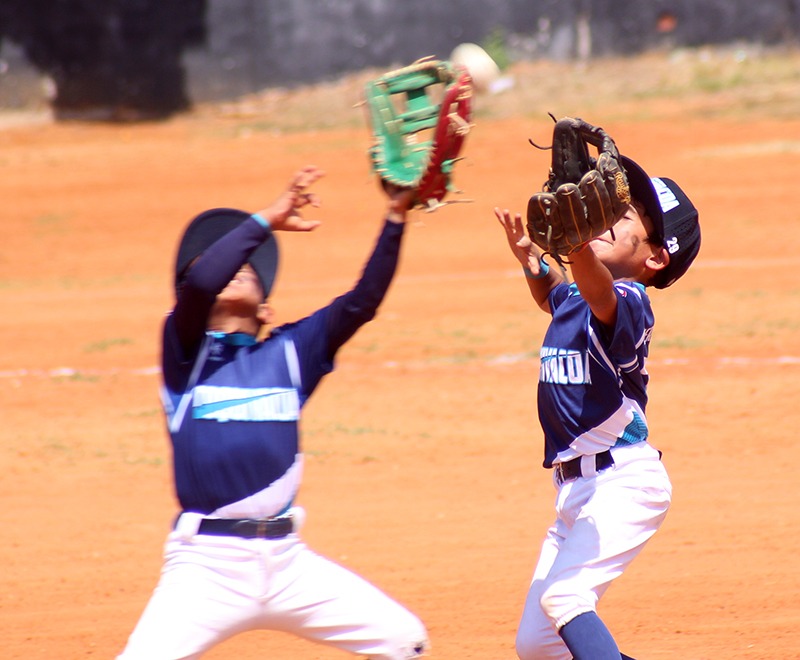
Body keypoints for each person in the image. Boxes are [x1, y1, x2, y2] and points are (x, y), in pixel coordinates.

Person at [117, 165, 428, 659]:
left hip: (288, 564)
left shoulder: (291, 354)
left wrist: (395, 215)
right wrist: (266, 221)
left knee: (404, 640)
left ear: (267, 309)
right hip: (207, 568)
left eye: (250, 269)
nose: (238, 269)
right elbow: (202, 282)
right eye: (222, 266)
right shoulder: (184, 352)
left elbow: (361, 303)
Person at [494, 155, 701, 660]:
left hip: (623, 483)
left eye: (624, 217)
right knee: (538, 645)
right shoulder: (579, 298)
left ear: (656, 258)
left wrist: (576, 246)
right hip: (576, 491)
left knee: (566, 599)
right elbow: (556, 296)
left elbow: (597, 292)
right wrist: (532, 260)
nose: (606, 219)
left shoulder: (630, 301)